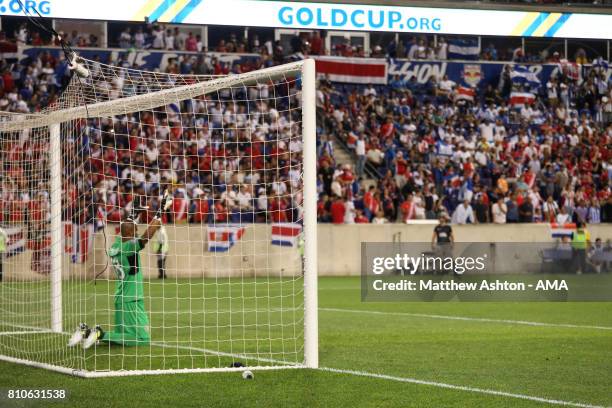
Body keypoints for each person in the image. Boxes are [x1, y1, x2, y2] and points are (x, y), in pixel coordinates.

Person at [68, 193, 170, 349]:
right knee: (142, 339)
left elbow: (126, 228)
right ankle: (99, 333)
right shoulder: (129, 248)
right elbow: (147, 235)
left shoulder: (115, 245)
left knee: (121, 337)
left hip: (120, 298)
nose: (136, 235)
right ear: (130, 235)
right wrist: (160, 211)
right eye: (134, 233)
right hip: (132, 299)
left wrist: (133, 214)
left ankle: (86, 332)